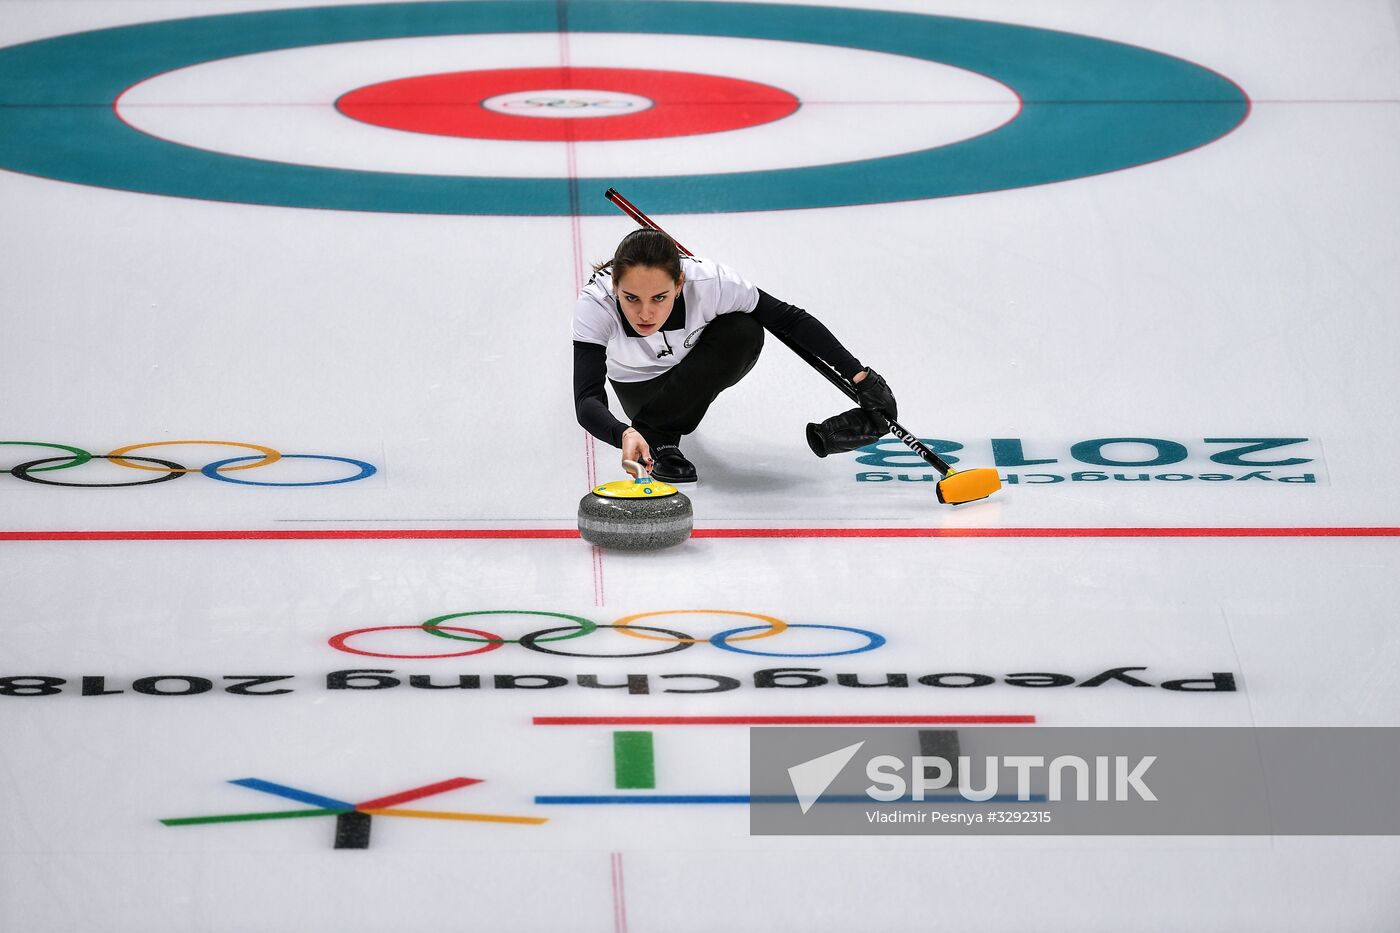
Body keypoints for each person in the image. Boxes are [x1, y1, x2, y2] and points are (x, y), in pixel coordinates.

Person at [571, 228, 898, 484]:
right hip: (640, 386)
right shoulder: (595, 303)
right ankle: (656, 435)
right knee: (649, 411)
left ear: (680, 283)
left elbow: (788, 320)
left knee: (744, 329)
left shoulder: (711, 283)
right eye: (631, 298)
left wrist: (860, 377)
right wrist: (625, 433)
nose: (645, 313)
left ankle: (658, 432)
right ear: (615, 286)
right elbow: (587, 399)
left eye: (659, 297)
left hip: (690, 365)